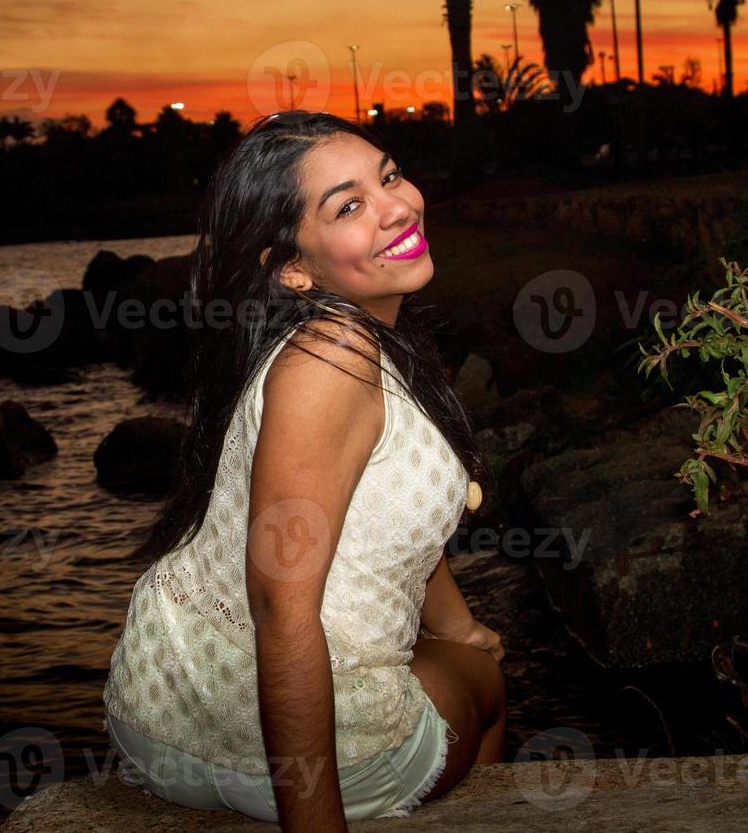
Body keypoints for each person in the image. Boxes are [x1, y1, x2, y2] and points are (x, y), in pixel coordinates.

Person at [101, 110, 505, 831]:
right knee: (485, 681)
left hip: (160, 711)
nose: (397, 207)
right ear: (292, 266)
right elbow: (279, 608)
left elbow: (387, 514)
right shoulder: (332, 362)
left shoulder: (338, 341)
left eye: (390, 176)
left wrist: (460, 624)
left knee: (464, 650)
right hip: (280, 747)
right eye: (348, 206)